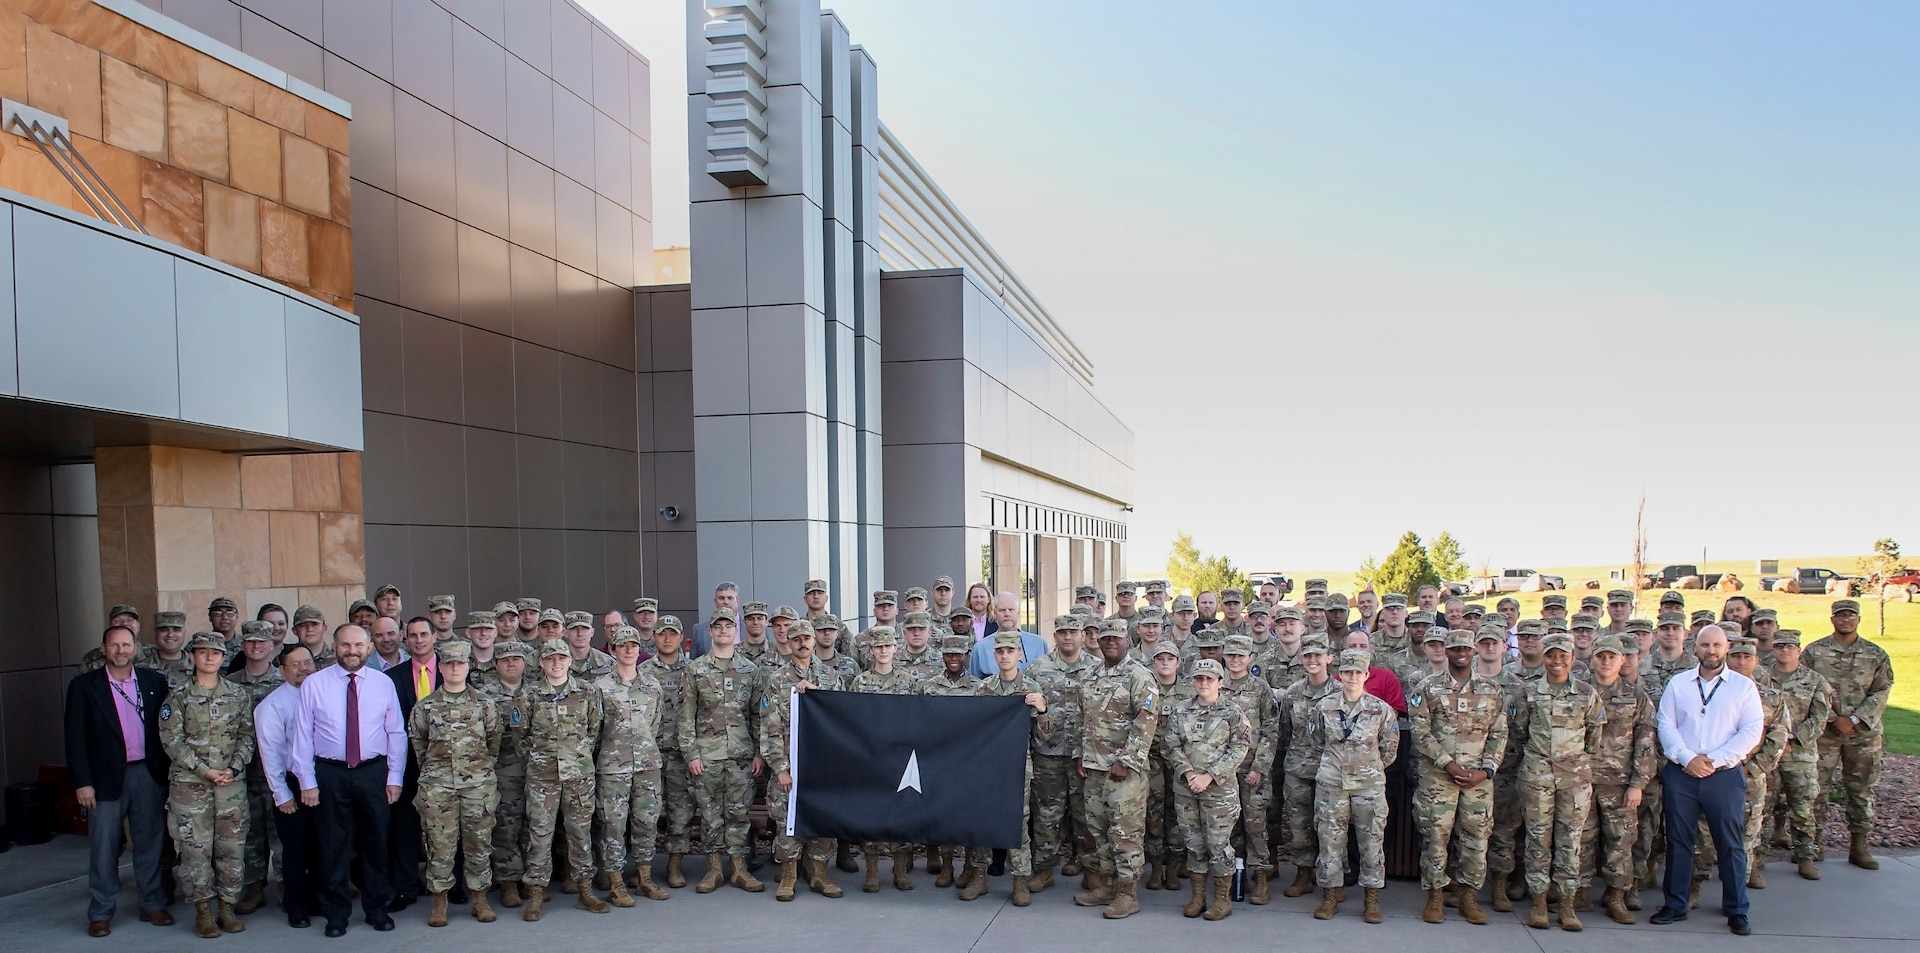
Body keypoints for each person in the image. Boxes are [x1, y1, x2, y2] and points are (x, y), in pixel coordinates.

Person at [292, 623, 405, 937]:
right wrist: (307, 782)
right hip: (331, 773)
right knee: (332, 847)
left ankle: (377, 910)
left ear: (368, 647)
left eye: (358, 645)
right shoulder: (315, 684)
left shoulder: (383, 684)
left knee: (376, 844)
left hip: (373, 772)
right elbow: (303, 736)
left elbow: (395, 732)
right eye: (345, 645)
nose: (352, 651)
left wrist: (394, 777)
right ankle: (336, 915)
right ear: (334, 645)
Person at [1650, 624, 1763, 936]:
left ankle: (1737, 909)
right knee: (1679, 841)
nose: (1710, 651)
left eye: (1716, 645)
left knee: (1729, 843)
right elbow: (1666, 724)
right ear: (1694, 647)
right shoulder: (1679, 684)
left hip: (1723, 775)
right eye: (1704, 645)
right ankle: (1675, 904)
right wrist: (1688, 758)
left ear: (1725, 647)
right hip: (1682, 773)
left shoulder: (1742, 688)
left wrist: (1715, 761)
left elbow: (1751, 730)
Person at [66, 624, 175, 937]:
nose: (120, 650)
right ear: (103, 649)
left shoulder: (154, 682)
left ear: (135, 647)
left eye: (126, 645)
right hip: (103, 780)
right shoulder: (85, 687)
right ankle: (100, 912)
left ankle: (152, 904)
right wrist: (82, 782)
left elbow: (166, 731)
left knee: (150, 843)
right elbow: (75, 739)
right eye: (114, 645)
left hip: (147, 774)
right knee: (103, 848)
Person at [160, 632, 257, 937]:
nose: (209, 658)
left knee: (232, 848)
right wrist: (204, 770)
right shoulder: (178, 697)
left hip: (230, 786)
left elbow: (248, 736)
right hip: (191, 787)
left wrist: (234, 767)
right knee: (195, 850)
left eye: (215, 653)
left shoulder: (239, 695)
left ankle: (227, 908)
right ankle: (203, 911)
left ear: (223, 657)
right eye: (202, 652)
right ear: (192, 656)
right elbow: (171, 741)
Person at [1408, 628, 1507, 925]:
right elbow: (1420, 732)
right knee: (1435, 838)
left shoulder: (1492, 690)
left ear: (1473, 651)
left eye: (1466, 648)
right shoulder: (1426, 687)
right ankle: (1436, 895)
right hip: (1439, 777)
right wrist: (1448, 764)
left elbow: (1500, 733)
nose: (1461, 653)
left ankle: (1468, 897)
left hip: (1478, 780)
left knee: (1476, 839)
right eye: (1455, 648)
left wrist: (1486, 769)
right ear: (1447, 652)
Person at [1512, 632, 1603, 931]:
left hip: (1574, 779)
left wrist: (1576, 761)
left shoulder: (1586, 693)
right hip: (1537, 775)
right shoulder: (1528, 692)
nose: (1556, 661)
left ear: (1572, 659)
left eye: (1563, 655)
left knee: (1570, 842)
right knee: (1537, 840)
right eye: (1551, 654)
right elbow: (1519, 732)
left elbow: (1594, 737)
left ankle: (1566, 904)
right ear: (1544, 657)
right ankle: (1538, 902)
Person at [407, 641, 502, 925]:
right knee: (439, 845)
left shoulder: (485, 704)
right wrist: (437, 774)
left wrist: (478, 771)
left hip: (477, 786)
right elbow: (419, 746)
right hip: (438, 787)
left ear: (468, 665)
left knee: (479, 843)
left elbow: (494, 744)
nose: (455, 668)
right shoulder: (426, 707)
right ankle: (439, 901)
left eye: (460, 663)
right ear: (442, 667)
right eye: (449, 664)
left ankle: (480, 898)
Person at [1802, 598, 1894, 871]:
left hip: (1864, 735)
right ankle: (1813, 844)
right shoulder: (1814, 652)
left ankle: (1859, 846)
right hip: (1824, 733)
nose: (1845, 620)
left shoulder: (1875, 654)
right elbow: (1806, 687)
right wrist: (1831, 717)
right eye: (1840, 615)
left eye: (1850, 615)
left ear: (1858, 619)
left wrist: (1854, 719)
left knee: (1861, 790)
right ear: (1832, 619)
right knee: (1815, 790)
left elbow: (1882, 690)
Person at [1075, 618, 1157, 919]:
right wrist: (1078, 754)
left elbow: (1146, 721)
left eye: (1116, 638)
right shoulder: (1091, 674)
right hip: (1093, 767)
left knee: (1125, 833)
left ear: (1127, 641)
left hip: (1125, 772)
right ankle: (1107, 885)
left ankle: (1127, 893)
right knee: (1099, 831)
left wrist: (1127, 761)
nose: (1110, 642)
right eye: (1105, 638)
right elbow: (1081, 718)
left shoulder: (1139, 675)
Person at [521, 638, 608, 919]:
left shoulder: (587, 692)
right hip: (542, 777)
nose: (556, 663)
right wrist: (539, 761)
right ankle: (535, 893)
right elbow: (520, 737)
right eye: (550, 658)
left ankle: (585, 890)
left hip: (578, 775)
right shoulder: (529, 694)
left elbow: (594, 731)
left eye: (562, 657)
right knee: (540, 835)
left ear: (570, 661)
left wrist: (577, 757)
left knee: (580, 833)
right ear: (541, 663)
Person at [680, 607, 765, 893]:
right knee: (710, 815)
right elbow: (686, 716)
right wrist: (691, 754)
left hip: (741, 755)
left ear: (735, 630)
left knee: (739, 814)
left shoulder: (750, 671)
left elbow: (757, 715)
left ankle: (740, 869)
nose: (724, 631)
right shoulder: (695, 670)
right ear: (711, 631)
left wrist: (758, 753)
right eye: (719, 627)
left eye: (729, 626)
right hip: (707, 757)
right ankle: (714, 869)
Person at [1310, 649, 1398, 923]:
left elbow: (1390, 747)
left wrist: (1368, 768)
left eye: (1357, 672)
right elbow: (1316, 742)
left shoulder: (1380, 709)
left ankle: (1371, 900)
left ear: (1366, 675)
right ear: (1340, 674)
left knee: (1371, 842)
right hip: (1332, 783)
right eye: (1347, 672)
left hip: (1368, 785)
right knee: (1329, 841)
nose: (1352, 677)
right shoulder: (1323, 707)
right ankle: (1330, 896)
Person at [763, 620, 846, 900]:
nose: (802, 643)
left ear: (813, 640)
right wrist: (780, 768)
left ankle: (820, 874)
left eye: (806, 638)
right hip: (789, 764)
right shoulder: (776, 680)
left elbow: (843, 717)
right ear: (789, 641)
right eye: (796, 638)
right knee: (787, 820)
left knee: (822, 818)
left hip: (822, 765)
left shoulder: (831, 678)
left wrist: (817, 694)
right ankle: (788, 875)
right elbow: (769, 728)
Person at [1578, 635, 1656, 925]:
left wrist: (1638, 782)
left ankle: (1616, 895)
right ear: (1592, 659)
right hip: (1582, 779)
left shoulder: (1636, 696)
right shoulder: (1581, 693)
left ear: (1623, 660)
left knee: (1620, 840)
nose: (1606, 662)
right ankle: (1581, 891)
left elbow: (1645, 742)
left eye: (1613, 657)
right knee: (1582, 838)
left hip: (1620, 783)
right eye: (1601, 656)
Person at [1168, 658, 1252, 921]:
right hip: (1186, 788)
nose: (1203, 683)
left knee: (1217, 845)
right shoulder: (1181, 710)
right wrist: (1191, 773)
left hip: (1219, 792)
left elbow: (1239, 748)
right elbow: (1171, 744)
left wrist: (1210, 776)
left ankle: (1222, 900)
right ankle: (1197, 896)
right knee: (1193, 845)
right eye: (1199, 678)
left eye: (1209, 679)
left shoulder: (1232, 712)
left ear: (1220, 682)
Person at [594, 626, 669, 906]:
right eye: (622, 645)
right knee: (614, 825)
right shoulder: (601, 688)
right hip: (614, 767)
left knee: (646, 822)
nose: (628, 650)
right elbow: (594, 730)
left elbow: (656, 724)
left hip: (647, 764)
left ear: (639, 650)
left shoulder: (652, 686)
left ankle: (644, 877)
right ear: (613, 649)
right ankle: (615, 882)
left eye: (633, 645)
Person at [1025, 614, 1100, 893]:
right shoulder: (1038, 669)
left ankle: (1092, 870)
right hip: (1049, 753)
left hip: (1086, 755)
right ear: (1054, 637)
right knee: (1046, 815)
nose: (1068, 637)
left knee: (1086, 815)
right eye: (1062, 632)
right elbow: (1026, 708)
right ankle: (1044, 869)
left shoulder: (1096, 668)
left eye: (1073, 631)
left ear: (1083, 636)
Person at [847, 626, 921, 893]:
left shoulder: (907, 682)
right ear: (871, 650)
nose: (883, 651)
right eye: (878, 647)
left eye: (887, 646)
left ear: (895, 648)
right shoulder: (860, 682)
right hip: (871, 756)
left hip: (900, 757)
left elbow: (918, 718)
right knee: (872, 813)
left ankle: (900, 871)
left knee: (901, 812)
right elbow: (852, 719)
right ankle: (873, 871)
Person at [254, 644, 318, 929]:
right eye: (295, 664)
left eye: (308, 662)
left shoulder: (323, 695)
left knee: (322, 846)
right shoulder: (272, 705)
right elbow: (271, 754)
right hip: (292, 784)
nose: (304, 668)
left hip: (324, 779)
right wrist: (282, 795)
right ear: (281, 670)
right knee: (295, 849)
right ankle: (296, 906)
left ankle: (319, 900)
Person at [223, 621, 283, 916]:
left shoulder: (284, 682)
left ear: (272, 646)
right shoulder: (229, 684)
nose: (256, 647)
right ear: (242, 646)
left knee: (281, 833)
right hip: (242, 773)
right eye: (250, 642)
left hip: (277, 774)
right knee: (249, 833)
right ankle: (254, 886)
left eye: (262, 642)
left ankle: (285, 884)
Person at [385, 617, 441, 910]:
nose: (419, 640)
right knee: (404, 828)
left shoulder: (452, 670)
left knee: (447, 827)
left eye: (424, 634)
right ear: (406, 641)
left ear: (434, 637)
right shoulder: (392, 678)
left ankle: (450, 885)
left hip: (446, 763)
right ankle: (406, 887)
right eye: (413, 636)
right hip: (406, 763)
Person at [1766, 630, 1832, 880]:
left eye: (1790, 646)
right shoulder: (1762, 676)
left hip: (1800, 755)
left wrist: (1792, 738)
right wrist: (1777, 740)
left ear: (1798, 649)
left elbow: (1819, 718)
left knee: (1802, 808)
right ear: (1773, 649)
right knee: (1762, 808)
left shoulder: (1814, 681)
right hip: (1768, 753)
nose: (1785, 650)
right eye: (1780, 646)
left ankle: (1805, 856)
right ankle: (1757, 860)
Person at [1277, 635, 1336, 900]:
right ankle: (1303, 874)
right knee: (1300, 826)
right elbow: (1285, 729)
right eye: (1308, 656)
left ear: (1329, 658)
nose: (1313, 661)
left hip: (1331, 769)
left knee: (1330, 827)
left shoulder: (1340, 692)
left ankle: (1333, 880)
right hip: (1299, 769)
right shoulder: (1293, 692)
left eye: (1318, 656)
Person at [476, 640, 534, 908]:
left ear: (524, 662)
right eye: (505, 659)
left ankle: (532, 880)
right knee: (506, 827)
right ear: (496, 664)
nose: (511, 663)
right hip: (502, 770)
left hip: (536, 769)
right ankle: (509, 882)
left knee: (534, 826)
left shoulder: (536, 691)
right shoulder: (484, 695)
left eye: (516, 659)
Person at [640, 616, 696, 887]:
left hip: (680, 753)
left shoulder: (694, 670)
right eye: (662, 634)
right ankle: (644, 869)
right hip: (649, 753)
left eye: (672, 634)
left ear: (680, 636)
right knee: (646, 813)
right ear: (654, 636)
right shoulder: (643, 670)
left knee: (680, 812)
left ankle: (674, 866)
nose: (666, 639)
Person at [970, 593, 1049, 678]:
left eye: (1011, 610)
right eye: (1002, 610)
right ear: (994, 613)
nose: (1007, 614)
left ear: (1018, 612)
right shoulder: (980, 648)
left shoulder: (1039, 644)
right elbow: (974, 685)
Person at [687, 582, 740, 657]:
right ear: (715, 601)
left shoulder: (748, 627)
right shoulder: (699, 630)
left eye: (730, 598)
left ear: (737, 601)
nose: (726, 602)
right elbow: (693, 660)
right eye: (721, 598)